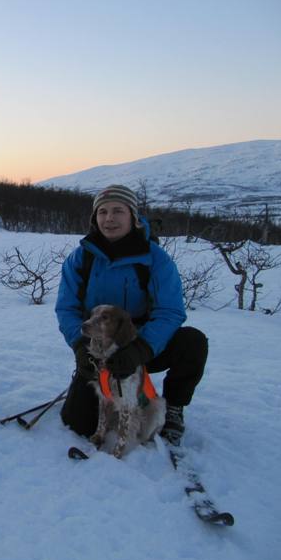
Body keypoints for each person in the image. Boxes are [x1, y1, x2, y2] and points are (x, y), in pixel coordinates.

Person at [54, 184, 207, 446]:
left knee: (192, 342)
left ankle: (173, 409)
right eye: (102, 212)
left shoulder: (155, 259)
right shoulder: (80, 259)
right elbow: (66, 308)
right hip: (99, 351)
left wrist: (141, 348)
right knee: (77, 423)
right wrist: (81, 346)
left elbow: (170, 311)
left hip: (142, 343)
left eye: (118, 211)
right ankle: (93, 384)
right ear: (95, 219)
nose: (109, 218)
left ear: (133, 217)